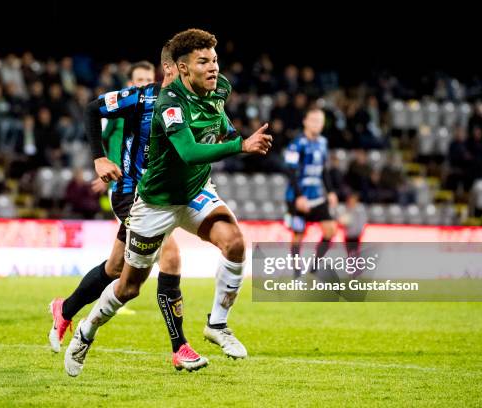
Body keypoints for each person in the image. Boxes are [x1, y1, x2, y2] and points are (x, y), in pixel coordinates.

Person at [64, 28, 272, 376]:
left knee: (235, 244)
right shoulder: (168, 104)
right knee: (128, 287)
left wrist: (234, 134)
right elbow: (189, 152)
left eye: (215, 60)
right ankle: (86, 331)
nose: (213, 68)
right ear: (182, 68)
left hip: (194, 193)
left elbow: (219, 116)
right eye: (203, 61)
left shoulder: (220, 87)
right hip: (156, 204)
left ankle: (217, 326)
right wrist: (240, 146)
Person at [49, 47, 207, 371]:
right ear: (170, 68)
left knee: (115, 269)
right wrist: (99, 158)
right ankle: (180, 347)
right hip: (129, 192)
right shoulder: (139, 98)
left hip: (158, 196)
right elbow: (93, 110)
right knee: (171, 254)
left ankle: (65, 309)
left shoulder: (184, 105)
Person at [283, 108, 338, 275]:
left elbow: (323, 170)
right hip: (297, 197)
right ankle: (297, 273)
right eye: (313, 120)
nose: (317, 124)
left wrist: (330, 191)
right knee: (298, 234)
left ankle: (314, 268)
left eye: (320, 121)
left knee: (330, 230)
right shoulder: (296, 144)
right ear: (305, 121)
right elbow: (290, 171)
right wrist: (299, 197)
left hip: (316, 196)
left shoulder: (322, 143)